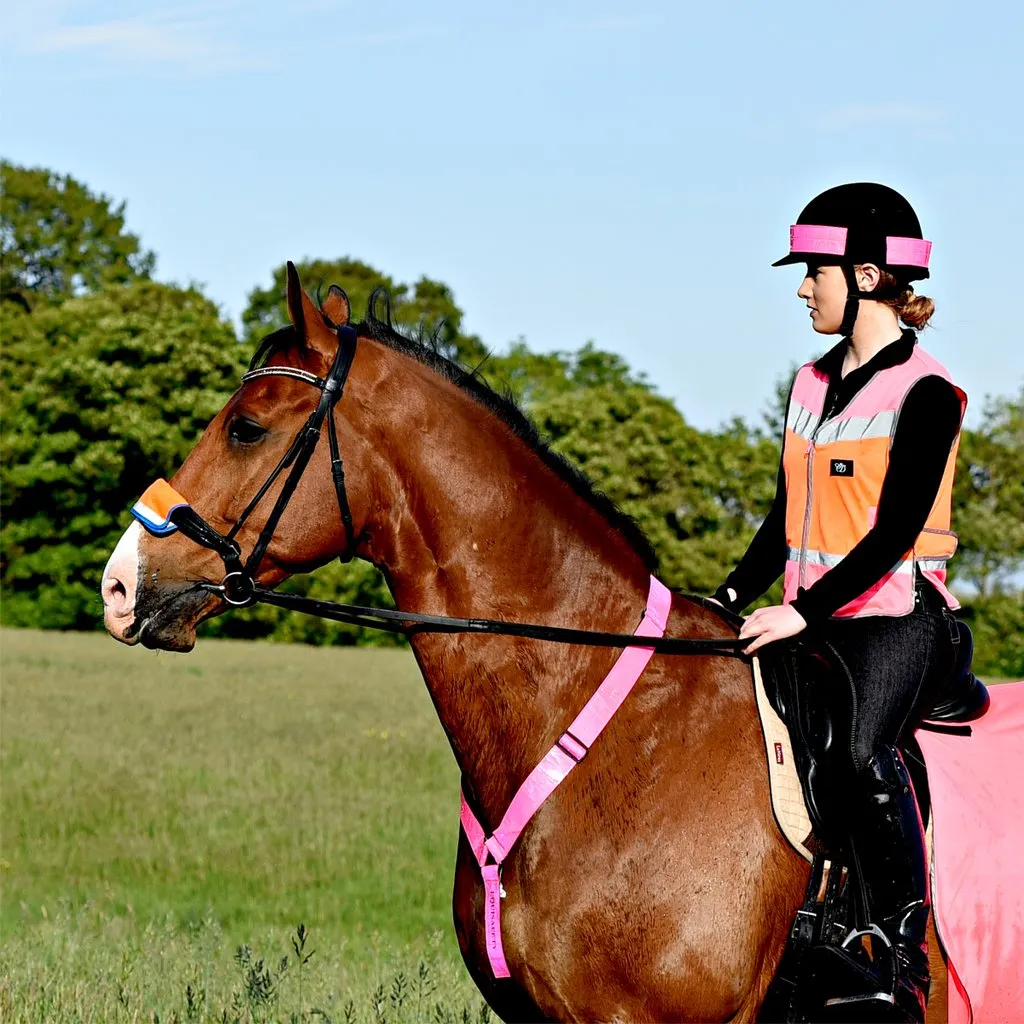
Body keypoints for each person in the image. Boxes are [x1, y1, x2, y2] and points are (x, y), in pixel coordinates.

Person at [712, 183, 965, 1022]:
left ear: (863, 274)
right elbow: (784, 513)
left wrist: (804, 613)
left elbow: (893, 534)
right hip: (809, 614)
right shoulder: (809, 383)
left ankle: (902, 950)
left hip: (899, 618)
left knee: (859, 751)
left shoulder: (927, 393)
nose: (800, 288)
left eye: (811, 271)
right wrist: (725, 594)